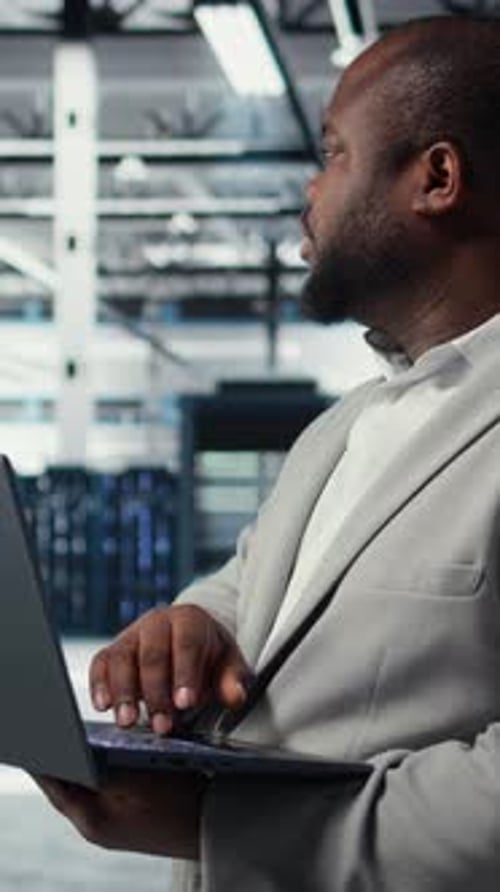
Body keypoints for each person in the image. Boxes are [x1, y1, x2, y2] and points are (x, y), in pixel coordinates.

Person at [38, 14, 500, 892]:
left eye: (333, 153)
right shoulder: (344, 427)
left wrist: (219, 825)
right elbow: (258, 591)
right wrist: (196, 626)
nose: (310, 192)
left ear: (436, 178)